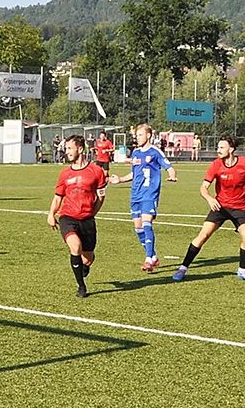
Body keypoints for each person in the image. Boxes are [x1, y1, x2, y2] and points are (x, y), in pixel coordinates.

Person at [172, 135, 245, 284]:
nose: (218, 150)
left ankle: (242, 270)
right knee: (203, 235)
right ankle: (183, 268)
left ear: (232, 149)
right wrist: (210, 199)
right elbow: (203, 188)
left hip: (240, 208)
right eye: (218, 147)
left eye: (222, 147)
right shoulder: (216, 164)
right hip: (220, 207)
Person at [108, 124, 177, 273]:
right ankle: (153, 256)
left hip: (149, 194)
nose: (137, 138)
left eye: (140, 135)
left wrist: (172, 175)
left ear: (148, 136)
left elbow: (169, 167)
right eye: (136, 135)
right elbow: (134, 174)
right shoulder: (136, 153)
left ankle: (148, 260)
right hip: (136, 194)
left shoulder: (155, 152)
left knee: (146, 223)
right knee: (138, 228)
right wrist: (119, 179)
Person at [47, 135, 107, 298]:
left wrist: (92, 213)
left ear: (80, 149)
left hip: (87, 220)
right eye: (66, 149)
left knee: (87, 258)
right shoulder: (65, 174)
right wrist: (51, 214)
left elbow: (101, 197)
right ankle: (81, 287)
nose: (66, 152)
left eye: (69, 148)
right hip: (68, 217)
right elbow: (58, 196)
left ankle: (84, 267)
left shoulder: (96, 171)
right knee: (75, 247)